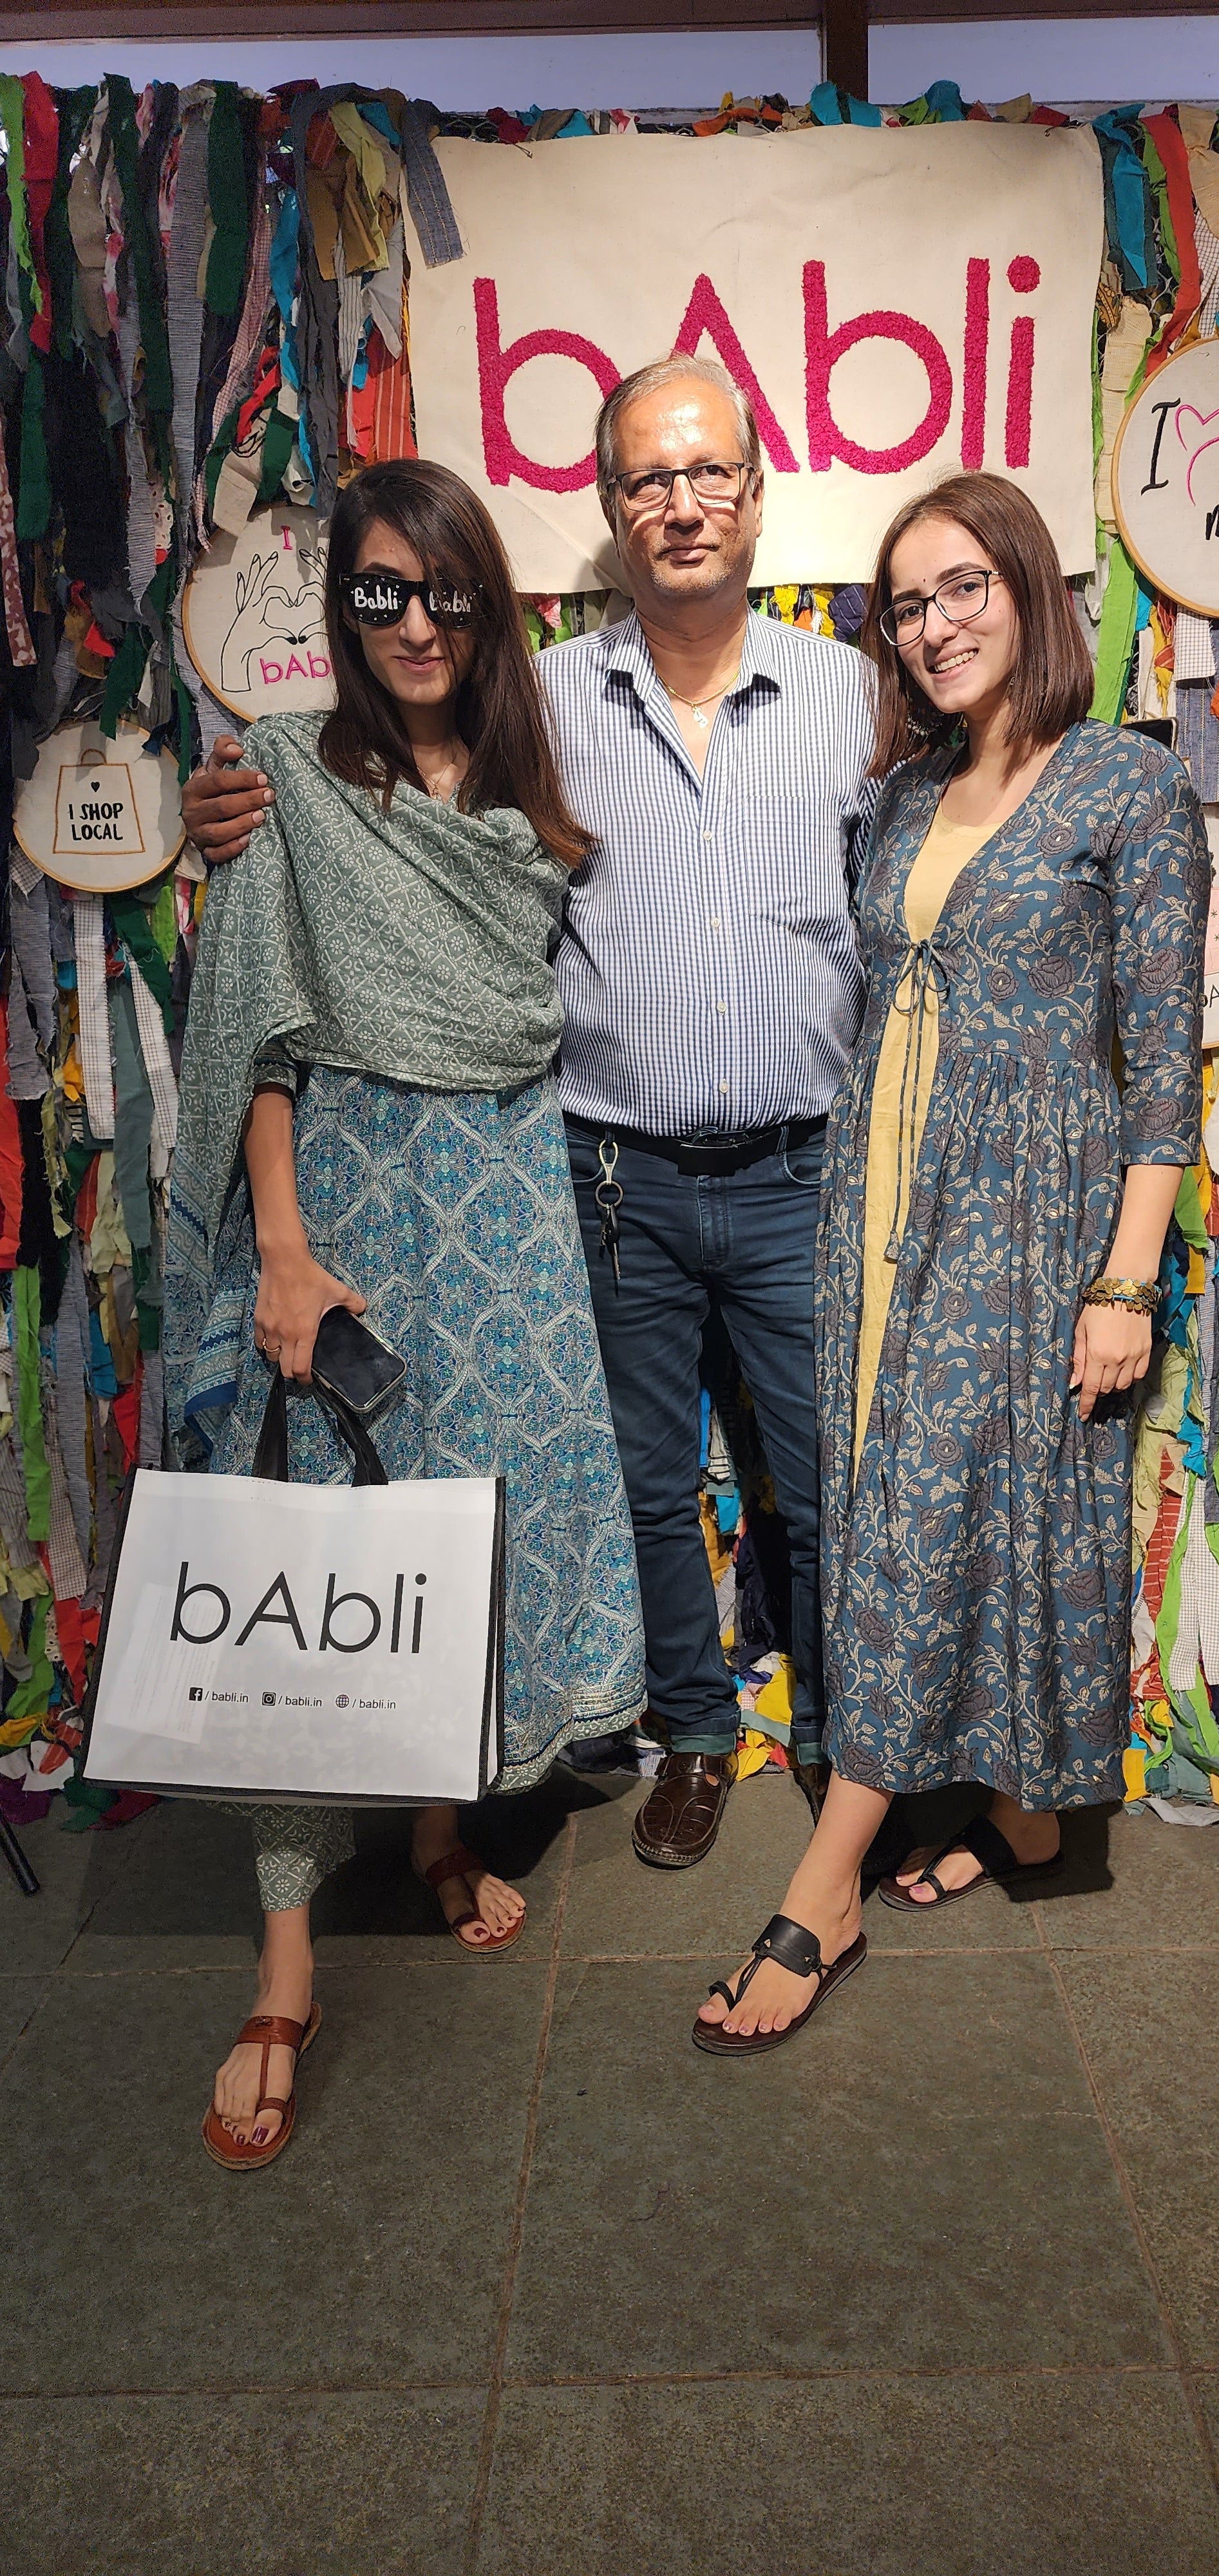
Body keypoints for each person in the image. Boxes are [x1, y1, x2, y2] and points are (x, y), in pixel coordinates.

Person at [181, 356, 878, 1873]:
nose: (680, 504)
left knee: (826, 1476)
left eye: (707, 472)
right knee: (640, 1484)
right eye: (647, 479)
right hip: (604, 1179)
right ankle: (693, 1734)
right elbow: (372, 811)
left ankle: (843, 1741)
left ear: (757, 491)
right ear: (612, 507)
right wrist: (228, 805)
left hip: (798, 1173)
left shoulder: (854, 696)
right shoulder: (541, 703)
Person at [694, 471, 1211, 2054]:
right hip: (881, 1201)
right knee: (899, 1501)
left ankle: (825, 1886)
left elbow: (1163, 1068)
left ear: (1030, 587)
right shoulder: (908, 790)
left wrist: (1124, 1281)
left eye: (963, 586)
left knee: (931, 1506)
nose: (934, 625)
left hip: (1029, 1216)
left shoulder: (1125, 783)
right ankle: (1021, 1810)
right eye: (908, 604)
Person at [167, 458, 644, 2166]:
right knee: (315, 1543)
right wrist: (283, 1249)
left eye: (444, 592)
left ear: (484, 605)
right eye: (380, 592)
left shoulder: (521, 792)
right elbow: (265, 1021)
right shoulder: (288, 774)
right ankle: (286, 1962)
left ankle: (440, 1826)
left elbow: (528, 1008)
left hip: (502, 1203)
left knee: (457, 1523)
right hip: (352, 1203)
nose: (416, 624)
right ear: (343, 609)